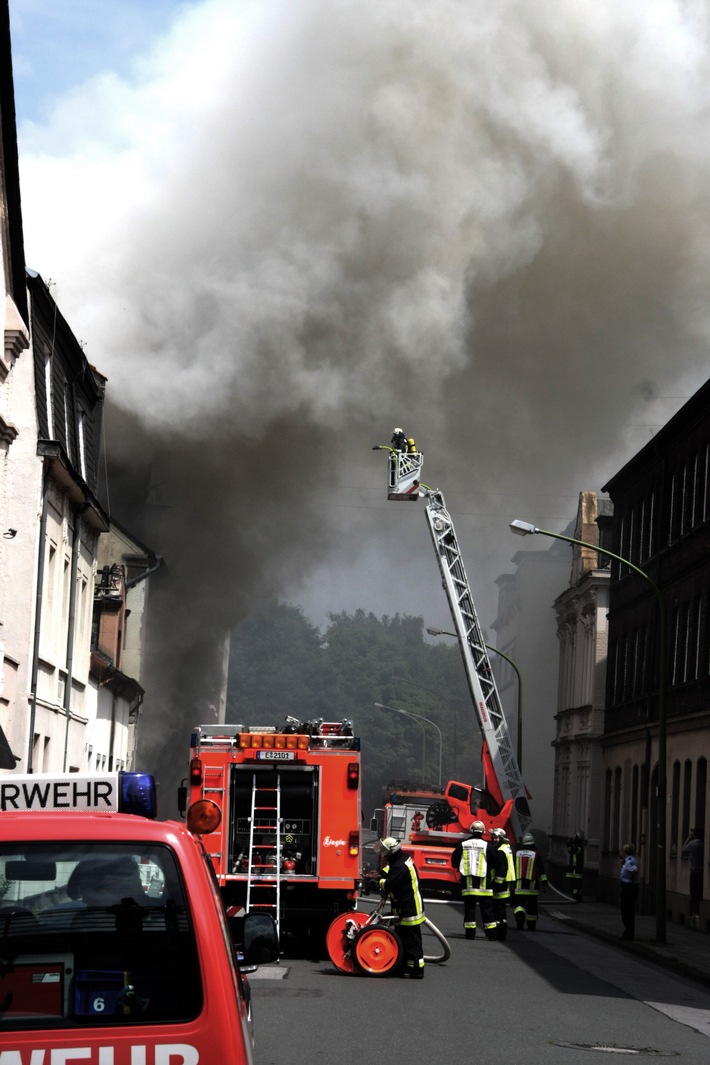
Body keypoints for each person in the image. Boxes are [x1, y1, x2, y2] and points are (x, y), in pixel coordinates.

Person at [373, 837, 425, 978]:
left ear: (392, 851)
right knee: (402, 939)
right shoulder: (401, 859)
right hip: (404, 906)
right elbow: (390, 869)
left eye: (384, 850)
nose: (383, 853)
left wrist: (378, 880)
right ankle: (405, 967)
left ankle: (417, 970)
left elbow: (389, 884)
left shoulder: (401, 866)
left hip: (410, 908)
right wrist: (381, 873)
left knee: (411, 941)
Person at [451, 820, 497, 941]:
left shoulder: (463, 845)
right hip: (484, 883)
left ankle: (470, 934)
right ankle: (491, 934)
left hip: (468, 883)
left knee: (469, 909)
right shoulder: (488, 846)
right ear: (483, 831)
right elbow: (496, 862)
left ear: (471, 830)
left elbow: (454, 861)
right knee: (486, 908)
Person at [514, 832, 547, 931]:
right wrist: (544, 884)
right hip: (532, 887)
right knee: (532, 907)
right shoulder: (535, 855)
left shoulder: (517, 854)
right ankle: (531, 925)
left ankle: (520, 919)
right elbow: (542, 871)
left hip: (519, 886)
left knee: (519, 905)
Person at [490, 827, 515, 941]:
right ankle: (502, 931)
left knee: (497, 910)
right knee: (502, 910)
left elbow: (501, 869)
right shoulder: (506, 848)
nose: (495, 840)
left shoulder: (500, 851)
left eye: (497, 838)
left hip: (500, 885)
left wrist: (497, 883)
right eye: (494, 838)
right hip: (506, 883)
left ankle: (499, 932)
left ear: (502, 838)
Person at [681, 828, 704, 928]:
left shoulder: (693, 844)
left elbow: (683, 849)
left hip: (694, 871)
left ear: (694, 834)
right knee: (699, 893)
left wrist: (689, 837)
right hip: (701, 871)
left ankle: (694, 914)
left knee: (694, 893)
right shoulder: (702, 844)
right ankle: (697, 913)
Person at [619, 843, 639, 941]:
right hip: (628, 887)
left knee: (626, 912)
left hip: (628, 887)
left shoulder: (630, 861)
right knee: (628, 912)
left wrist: (630, 880)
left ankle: (628, 934)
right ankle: (628, 933)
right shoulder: (628, 860)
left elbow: (635, 870)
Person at [566, 832, 585, 902]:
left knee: (577, 885)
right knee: (576, 885)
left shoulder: (578, 846)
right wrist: (569, 844)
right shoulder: (578, 845)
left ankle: (577, 897)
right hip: (576, 869)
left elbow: (574, 850)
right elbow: (571, 850)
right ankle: (576, 897)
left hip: (576, 869)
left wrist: (570, 844)